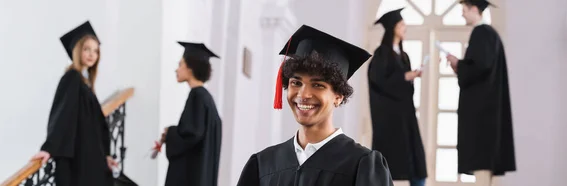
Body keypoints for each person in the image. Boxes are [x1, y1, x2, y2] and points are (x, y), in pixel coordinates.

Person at [236, 25, 394, 186]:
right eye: (296, 83)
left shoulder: (362, 164)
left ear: (338, 96)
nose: (303, 94)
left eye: (318, 85)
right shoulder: (263, 164)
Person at [30, 21, 117, 186]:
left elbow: (96, 123)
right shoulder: (72, 78)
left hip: (90, 158)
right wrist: (48, 147)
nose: (92, 54)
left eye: (95, 51)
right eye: (87, 49)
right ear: (77, 51)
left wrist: (106, 155)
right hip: (80, 161)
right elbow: (62, 114)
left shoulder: (85, 83)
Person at [446, 0, 516, 185]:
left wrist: (458, 64)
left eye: (464, 10)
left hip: (482, 116)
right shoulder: (489, 34)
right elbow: (480, 67)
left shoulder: (482, 32)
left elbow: (480, 67)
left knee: (482, 166)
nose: (462, 14)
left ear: (475, 9)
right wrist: (461, 67)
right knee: (485, 170)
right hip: (488, 113)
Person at [368, 8, 427, 186]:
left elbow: (405, 87)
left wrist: (412, 77)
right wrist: (405, 76)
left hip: (406, 115)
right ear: (393, 28)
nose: (405, 27)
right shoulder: (381, 54)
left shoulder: (404, 56)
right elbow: (378, 81)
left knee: (416, 163)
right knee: (387, 165)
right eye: (401, 25)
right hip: (390, 119)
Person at [159, 42, 222, 186]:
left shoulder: (197, 96)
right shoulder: (207, 99)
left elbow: (191, 134)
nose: (177, 69)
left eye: (180, 64)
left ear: (190, 68)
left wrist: (170, 133)